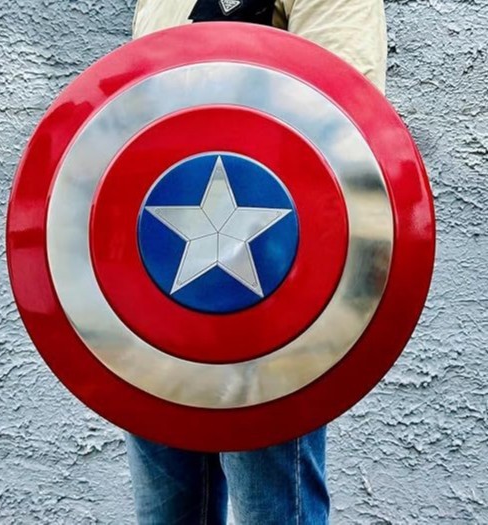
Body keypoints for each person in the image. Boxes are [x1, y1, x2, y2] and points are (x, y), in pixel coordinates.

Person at [126, 1, 387, 523]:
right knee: (166, 511)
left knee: (272, 508)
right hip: (154, 299)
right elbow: (127, 126)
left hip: (273, 297)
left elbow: (344, 120)